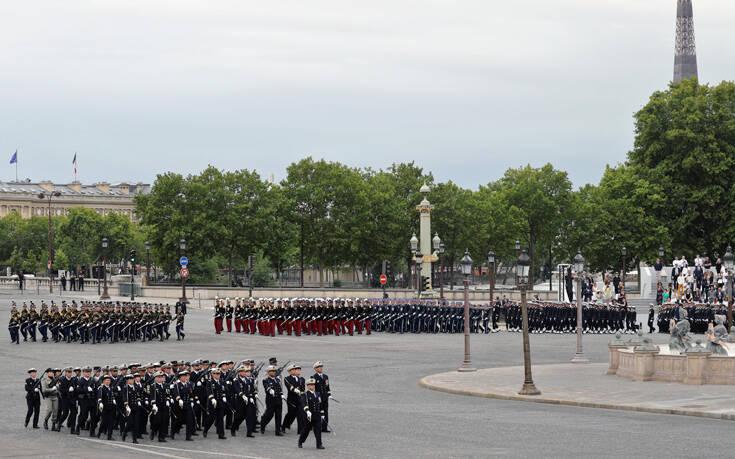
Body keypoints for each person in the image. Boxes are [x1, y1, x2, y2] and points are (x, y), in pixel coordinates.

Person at [298, 378, 325, 450]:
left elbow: (320, 404)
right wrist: (307, 411)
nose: (312, 386)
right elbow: (304, 403)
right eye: (310, 385)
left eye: (313, 385)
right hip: (309, 416)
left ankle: (319, 444)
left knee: (318, 430)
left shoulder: (318, 394)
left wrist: (322, 414)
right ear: (307, 386)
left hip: (317, 415)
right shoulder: (305, 394)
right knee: (306, 430)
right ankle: (300, 441)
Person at [203, 368, 227, 439]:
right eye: (216, 373)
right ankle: (205, 429)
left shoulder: (222, 381)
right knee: (211, 418)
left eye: (219, 373)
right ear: (212, 374)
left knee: (220, 418)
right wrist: (212, 398)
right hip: (212, 402)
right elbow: (208, 391)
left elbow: (224, 390)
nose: (218, 375)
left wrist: (224, 396)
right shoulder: (209, 382)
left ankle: (221, 434)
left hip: (220, 402)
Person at [260, 365, 283, 436]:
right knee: (269, 414)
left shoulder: (278, 379)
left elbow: (279, 388)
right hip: (271, 400)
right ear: (268, 372)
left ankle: (278, 431)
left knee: (279, 415)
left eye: (274, 371)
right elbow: (266, 386)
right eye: (271, 371)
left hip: (278, 399)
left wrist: (281, 394)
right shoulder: (265, 380)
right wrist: (270, 390)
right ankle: (263, 424)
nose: (273, 372)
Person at [312, 361, 331, 433]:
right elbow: (313, 389)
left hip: (325, 397)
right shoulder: (314, 377)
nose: (320, 368)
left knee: (325, 412)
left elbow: (327, 386)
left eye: (321, 367)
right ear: (315, 369)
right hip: (318, 398)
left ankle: (324, 427)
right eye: (319, 367)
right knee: (317, 412)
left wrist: (329, 394)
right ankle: (315, 426)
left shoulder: (326, 376)